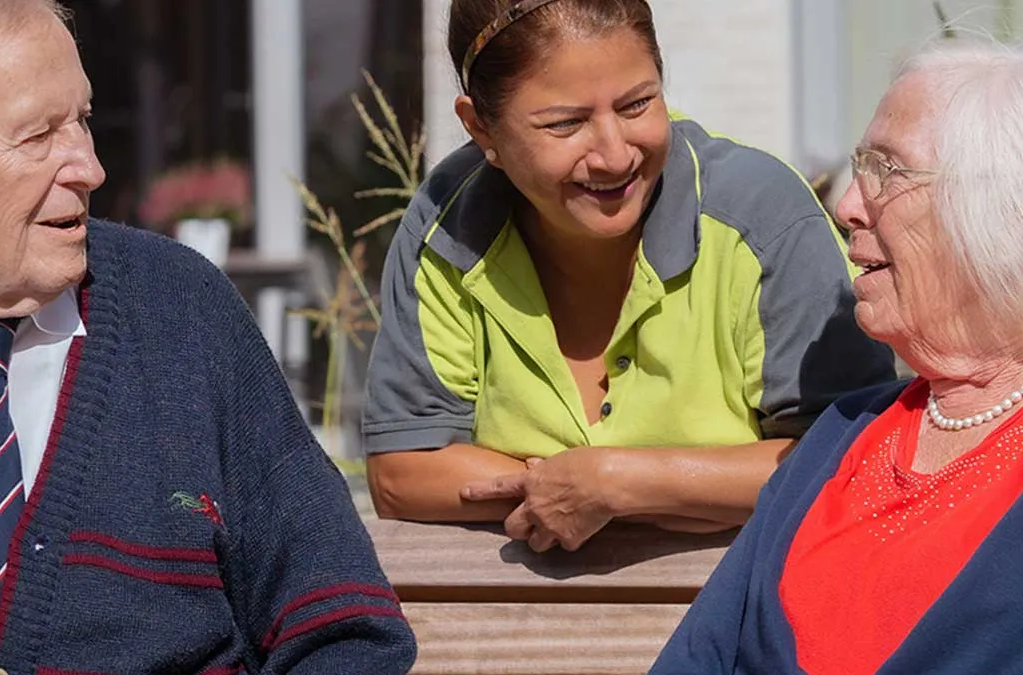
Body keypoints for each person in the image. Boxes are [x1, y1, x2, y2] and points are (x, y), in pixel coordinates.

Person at [0, 1, 415, 673]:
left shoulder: (177, 308)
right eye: (37, 135)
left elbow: (343, 629)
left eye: (82, 120)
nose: (89, 166)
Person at [361, 0, 895, 552]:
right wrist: (599, 494)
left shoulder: (765, 216)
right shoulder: (445, 222)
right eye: (566, 124)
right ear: (480, 127)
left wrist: (619, 485)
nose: (615, 157)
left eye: (637, 104)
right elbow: (404, 474)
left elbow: (858, 462)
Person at [652, 40, 1023, 674]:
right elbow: (700, 655)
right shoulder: (845, 431)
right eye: (859, 168)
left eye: (888, 170)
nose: (848, 206)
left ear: (997, 207)